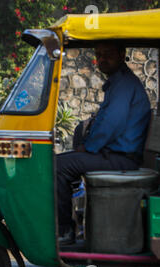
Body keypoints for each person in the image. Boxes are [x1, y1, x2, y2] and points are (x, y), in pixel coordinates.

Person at [57, 41, 151, 245]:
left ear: (121, 54)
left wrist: (88, 147)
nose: (102, 59)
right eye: (98, 55)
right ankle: (76, 221)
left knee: (58, 167)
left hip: (121, 159)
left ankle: (65, 231)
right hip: (113, 155)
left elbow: (111, 124)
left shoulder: (124, 85)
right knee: (64, 163)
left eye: (107, 54)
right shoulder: (118, 84)